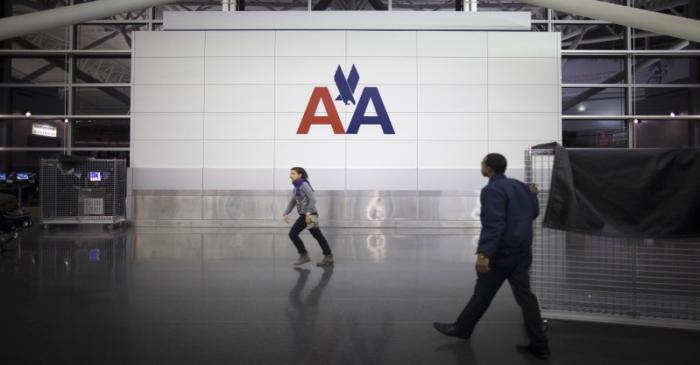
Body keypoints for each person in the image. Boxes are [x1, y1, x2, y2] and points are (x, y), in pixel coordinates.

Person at [433, 153, 550, 360]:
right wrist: (531, 195)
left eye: (482, 163)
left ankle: (461, 328)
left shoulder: (492, 190)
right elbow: (532, 213)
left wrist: (484, 254)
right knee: (526, 297)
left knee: (483, 293)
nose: (481, 166)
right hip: (522, 252)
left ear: (489, 168)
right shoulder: (520, 186)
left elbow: (494, 224)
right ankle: (539, 345)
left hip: (501, 254)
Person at [283, 167, 334, 267]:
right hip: (307, 215)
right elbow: (293, 202)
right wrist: (285, 213)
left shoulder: (304, 185)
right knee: (318, 236)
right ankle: (328, 256)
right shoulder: (296, 188)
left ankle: (304, 255)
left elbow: (313, 199)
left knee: (293, 234)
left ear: (300, 175)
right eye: (290, 173)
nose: (290, 176)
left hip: (310, 215)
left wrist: (308, 214)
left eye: (293, 173)